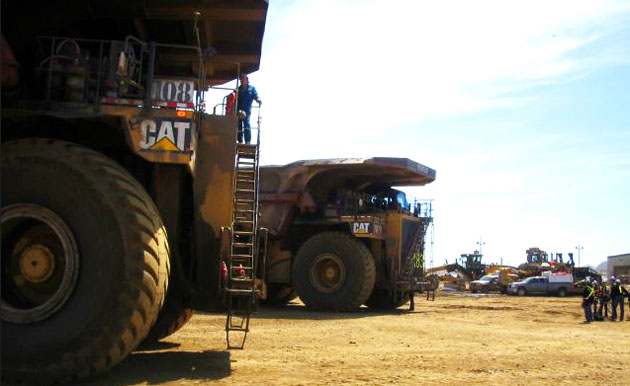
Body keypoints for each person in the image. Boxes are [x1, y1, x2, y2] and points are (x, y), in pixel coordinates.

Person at [236, 73, 262, 144]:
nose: (242, 80)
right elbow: (234, 98)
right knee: (238, 124)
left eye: (243, 79)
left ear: (247, 80)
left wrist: (258, 100)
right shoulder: (238, 89)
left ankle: (247, 141)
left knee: (247, 124)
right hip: (239, 109)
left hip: (247, 110)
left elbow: (255, 95)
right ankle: (239, 140)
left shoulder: (252, 88)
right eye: (241, 79)